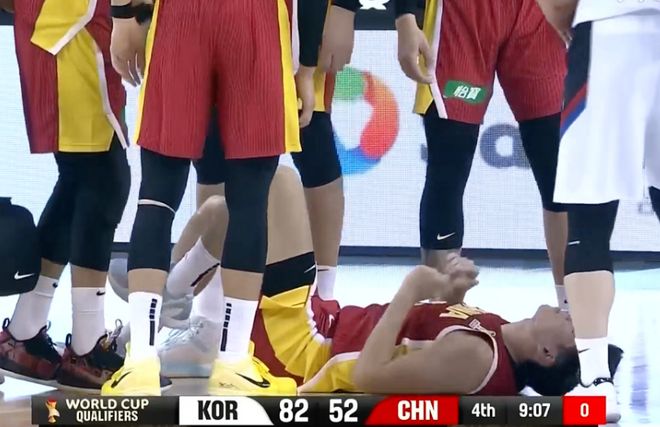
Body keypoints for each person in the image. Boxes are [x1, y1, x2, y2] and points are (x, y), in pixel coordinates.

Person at [114, 165, 623, 394]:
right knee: (222, 211)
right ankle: (168, 310)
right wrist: (450, 292)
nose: (571, 314)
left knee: (277, 182)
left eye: (575, 328)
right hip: (323, 322)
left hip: (303, 349)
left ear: (548, 355)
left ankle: (172, 307)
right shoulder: (499, 334)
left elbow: (369, 378)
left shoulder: (477, 359)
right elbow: (421, 332)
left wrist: (412, 289)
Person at [102, 0, 327, 396]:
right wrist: (307, 68)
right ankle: (233, 362)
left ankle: (140, 363)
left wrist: (122, 17)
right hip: (256, 19)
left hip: (180, 17)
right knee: (249, 201)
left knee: (157, 195)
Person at [393, 0, 570, 309]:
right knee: (449, 164)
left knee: (558, 173)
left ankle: (573, 314)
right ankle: (439, 314)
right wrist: (404, 16)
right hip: (463, 13)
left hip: (541, 12)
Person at [0, 0, 135, 392]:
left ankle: (24, 332)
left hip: (69, 24)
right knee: (102, 179)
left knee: (80, 180)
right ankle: (87, 347)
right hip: (70, 25)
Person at [536, 0, 660, 422]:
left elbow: (557, 5)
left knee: (588, 216)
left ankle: (595, 381)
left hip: (610, 29)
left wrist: (562, 14)